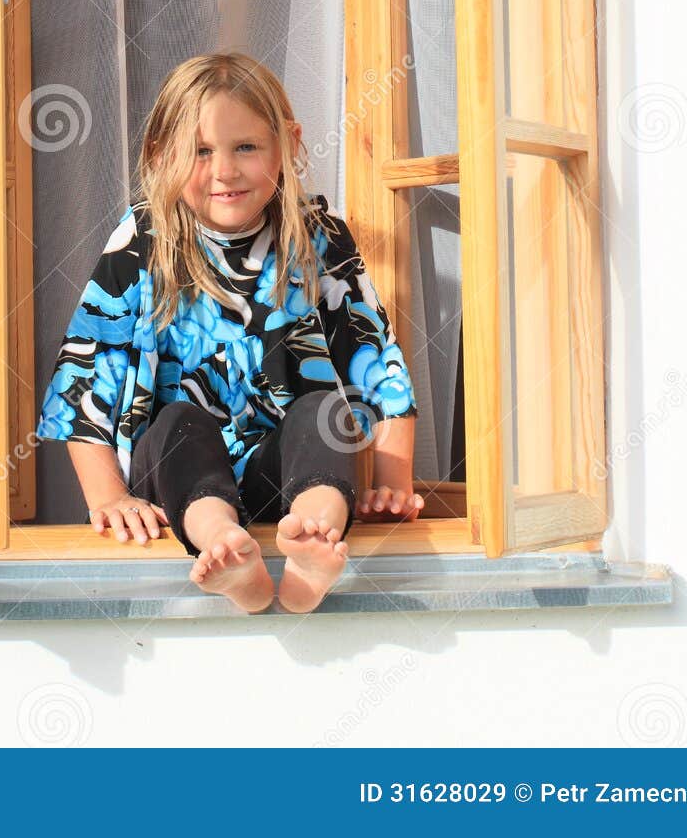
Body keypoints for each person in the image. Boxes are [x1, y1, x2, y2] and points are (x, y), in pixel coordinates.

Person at [37, 52, 423, 614]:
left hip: (285, 485)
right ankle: (224, 547)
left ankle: (314, 542)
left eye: (245, 147)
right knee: (178, 421)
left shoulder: (319, 237)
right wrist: (110, 497)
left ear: (288, 145)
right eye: (199, 151)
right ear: (159, 154)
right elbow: (86, 377)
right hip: (180, 484)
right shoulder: (142, 239)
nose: (224, 171)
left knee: (321, 408)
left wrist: (390, 485)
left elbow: (378, 363)